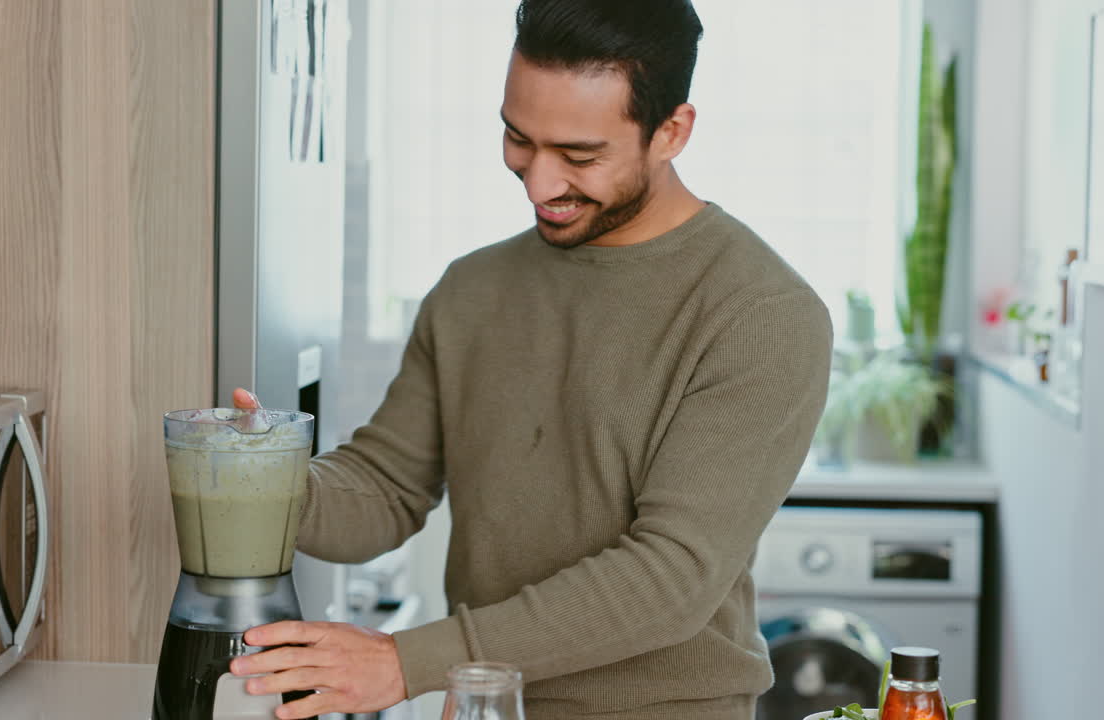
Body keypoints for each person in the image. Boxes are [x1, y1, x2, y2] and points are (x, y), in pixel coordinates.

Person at [227, 1, 833, 718]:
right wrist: (264, 478)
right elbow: (387, 487)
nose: (539, 183)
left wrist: (406, 663)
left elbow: (671, 578)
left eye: (579, 156)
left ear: (672, 131)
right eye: (518, 139)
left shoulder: (761, 313)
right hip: (488, 706)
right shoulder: (472, 289)